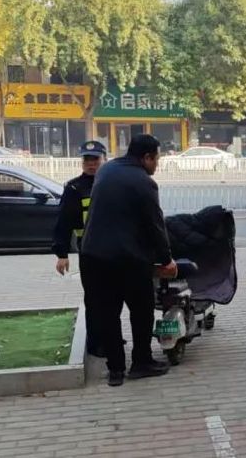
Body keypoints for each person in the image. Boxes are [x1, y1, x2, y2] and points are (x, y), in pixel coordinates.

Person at [81, 134, 177, 387]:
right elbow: (155, 224)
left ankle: (115, 370)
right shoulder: (144, 182)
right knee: (141, 311)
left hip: (93, 256)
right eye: (156, 159)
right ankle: (141, 363)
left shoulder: (106, 169)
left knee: (108, 314)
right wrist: (166, 259)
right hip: (128, 259)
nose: (157, 165)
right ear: (146, 157)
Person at [52, 140, 107, 357]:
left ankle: (111, 336)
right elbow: (63, 221)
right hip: (90, 252)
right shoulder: (74, 188)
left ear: (104, 159)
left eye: (95, 159)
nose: (91, 164)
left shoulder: (111, 183)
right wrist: (61, 254)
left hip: (113, 250)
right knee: (93, 298)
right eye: (87, 160)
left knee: (112, 298)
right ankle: (96, 343)